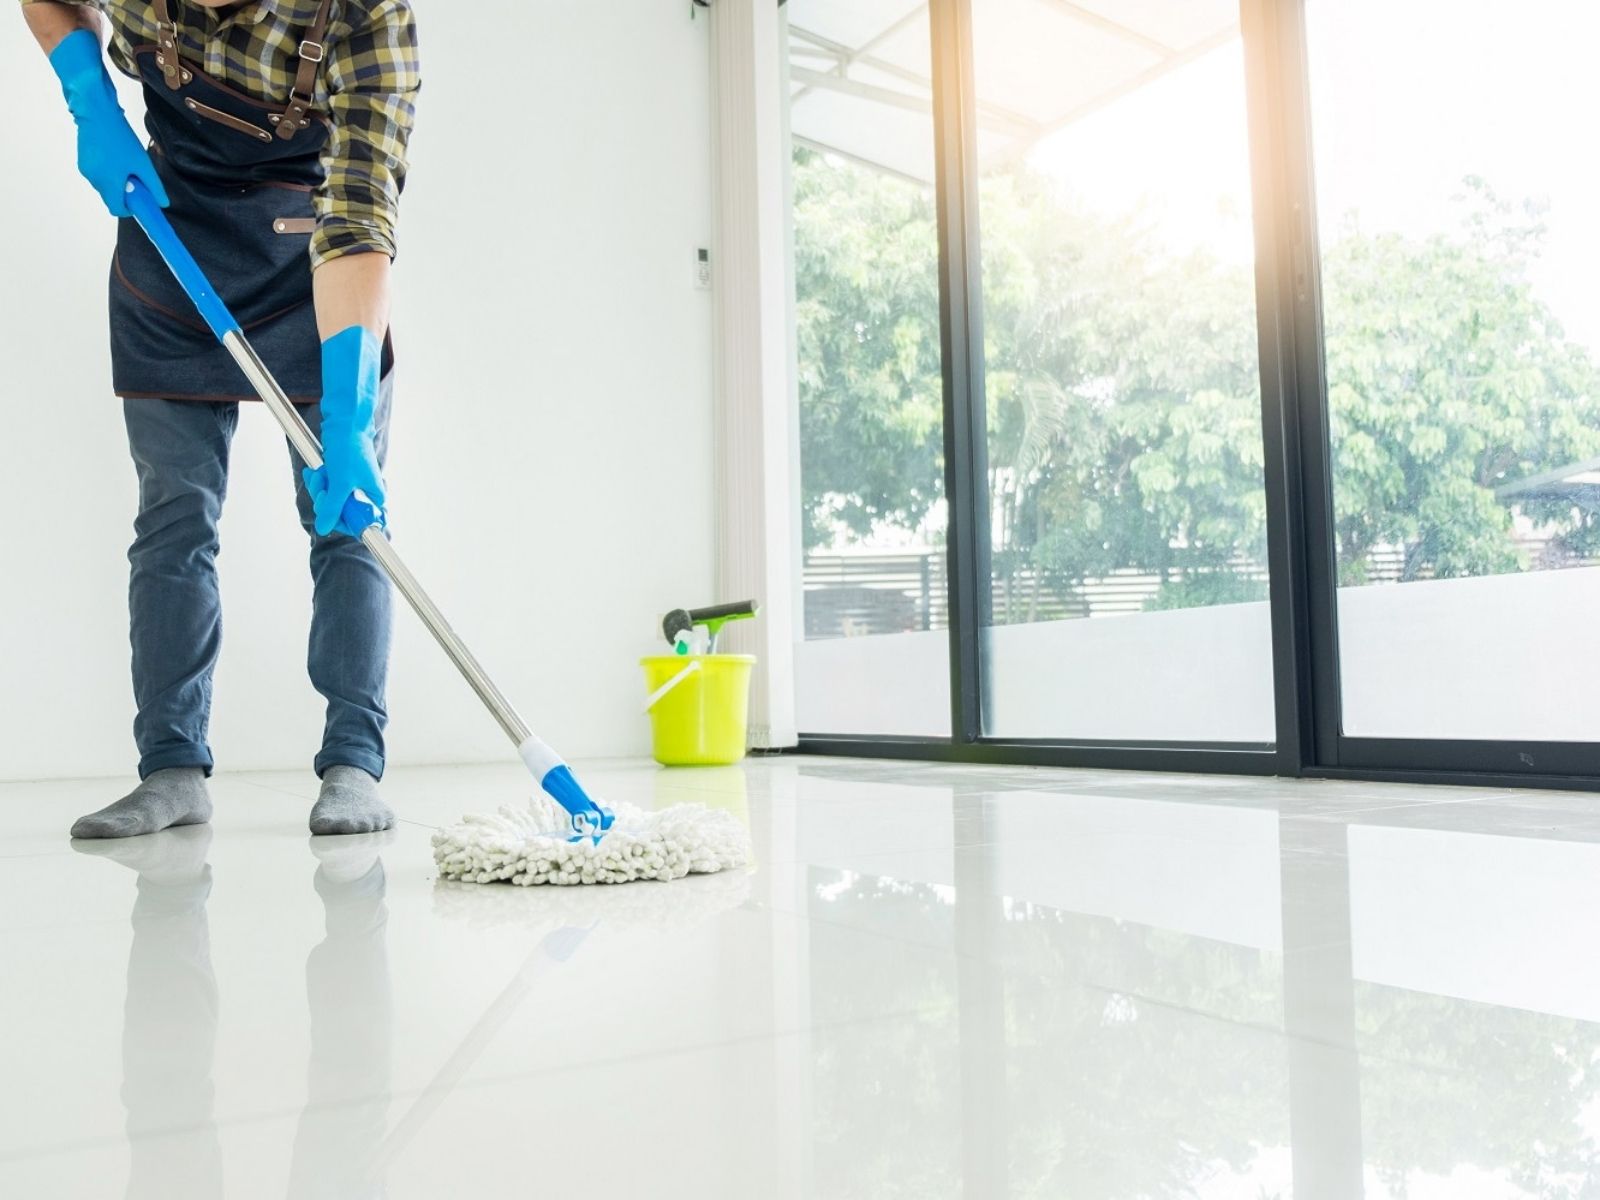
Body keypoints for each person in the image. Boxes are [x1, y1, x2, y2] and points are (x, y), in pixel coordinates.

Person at [19, 0, 420, 838]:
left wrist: (345, 422)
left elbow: (359, 220)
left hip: (313, 261)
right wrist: (88, 98)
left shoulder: (365, 16)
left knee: (346, 522)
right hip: (170, 237)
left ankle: (353, 764)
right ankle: (171, 772)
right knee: (173, 517)